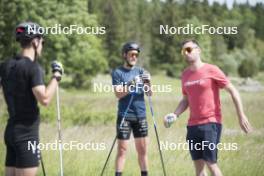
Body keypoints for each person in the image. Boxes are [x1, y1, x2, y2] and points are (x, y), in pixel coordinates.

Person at [163, 39, 252, 176]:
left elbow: (233, 90)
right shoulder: (185, 75)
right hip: (192, 126)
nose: (186, 53)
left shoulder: (212, 69)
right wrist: (175, 115)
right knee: (199, 169)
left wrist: (241, 115)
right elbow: (185, 100)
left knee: (211, 164)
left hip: (210, 123)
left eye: (189, 49)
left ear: (198, 50)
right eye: (183, 51)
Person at [0, 22, 64, 176]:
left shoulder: (5, 65)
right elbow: (45, 99)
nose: (42, 45)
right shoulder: (33, 68)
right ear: (35, 41)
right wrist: (56, 76)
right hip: (27, 134)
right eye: (42, 41)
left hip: (10, 131)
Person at [111, 42, 152, 176]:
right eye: (131, 54)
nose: (134, 57)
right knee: (122, 150)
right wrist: (131, 84)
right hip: (125, 116)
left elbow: (149, 93)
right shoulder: (117, 72)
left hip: (140, 116)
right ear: (124, 55)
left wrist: (148, 82)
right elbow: (118, 93)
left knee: (143, 150)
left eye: (136, 55)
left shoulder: (140, 71)